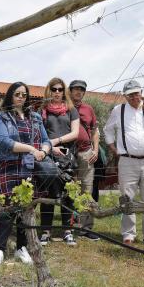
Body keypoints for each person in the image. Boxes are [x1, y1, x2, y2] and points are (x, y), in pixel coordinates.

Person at [0, 82, 52, 267]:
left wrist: (45, 151)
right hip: (8, 165)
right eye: (17, 94)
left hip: (29, 166)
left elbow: (46, 140)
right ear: (10, 96)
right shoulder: (2, 117)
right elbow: (4, 141)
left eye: (24, 95)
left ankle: (21, 247)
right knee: (6, 208)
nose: (21, 97)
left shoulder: (35, 117)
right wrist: (32, 149)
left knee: (26, 208)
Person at [103, 80, 144, 245]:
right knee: (127, 198)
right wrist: (113, 148)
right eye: (130, 94)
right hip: (127, 160)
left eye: (136, 93)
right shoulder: (119, 110)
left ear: (141, 92)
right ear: (125, 96)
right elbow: (107, 129)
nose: (134, 97)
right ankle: (128, 234)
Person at [39, 77, 80, 246]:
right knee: (47, 193)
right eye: (54, 89)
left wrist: (56, 141)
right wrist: (49, 146)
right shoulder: (42, 110)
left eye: (60, 89)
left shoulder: (71, 110)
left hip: (67, 155)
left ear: (64, 92)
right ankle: (45, 231)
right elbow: (39, 133)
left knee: (68, 194)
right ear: (49, 90)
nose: (57, 92)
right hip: (48, 155)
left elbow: (75, 133)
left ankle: (67, 231)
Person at [68, 80, 101, 240]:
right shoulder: (63, 107)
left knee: (87, 190)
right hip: (67, 154)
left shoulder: (89, 109)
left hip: (86, 152)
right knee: (69, 190)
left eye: (82, 90)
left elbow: (95, 131)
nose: (79, 92)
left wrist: (95, 149)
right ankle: (69, 227)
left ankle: (86, 229)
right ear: (70, 91)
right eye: (76, 89)